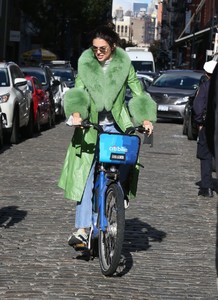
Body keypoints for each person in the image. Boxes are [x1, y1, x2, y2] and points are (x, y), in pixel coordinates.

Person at [58, 25, 157, 246]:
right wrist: (76, 114)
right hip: (90, 126)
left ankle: (116, 196)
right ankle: (83, 228)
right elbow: (79, 91)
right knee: (85, 175)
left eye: (102, 48)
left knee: (124, 165)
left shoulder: (124, 65)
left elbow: (138, 92)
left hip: (117, 125)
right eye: (95, 48)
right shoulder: (86, 63)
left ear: (113, 46)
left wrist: (146, 118)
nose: (98, 52)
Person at [193, 59, 217, 197]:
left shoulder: (206, 86)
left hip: (209, 126)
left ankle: (206, 188)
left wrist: (199, 122)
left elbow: (198, 106)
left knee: (206, 156)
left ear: (207, 73)